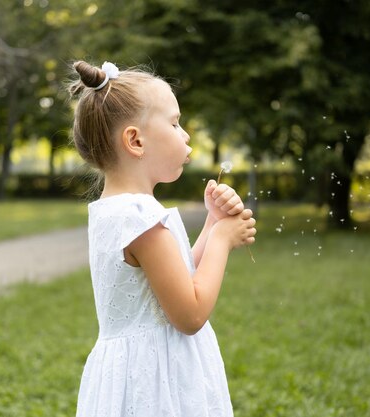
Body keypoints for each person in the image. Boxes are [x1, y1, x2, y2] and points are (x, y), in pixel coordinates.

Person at [68, 60, 257, 417]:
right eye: (174, 123)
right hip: (157, 383)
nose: (185, 134)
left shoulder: (118, 212)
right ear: (135, 141)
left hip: (129, 373)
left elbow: (176, 279)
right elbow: (190, 314)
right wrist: (221, 241)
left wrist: (213, 223)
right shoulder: (141, 219)